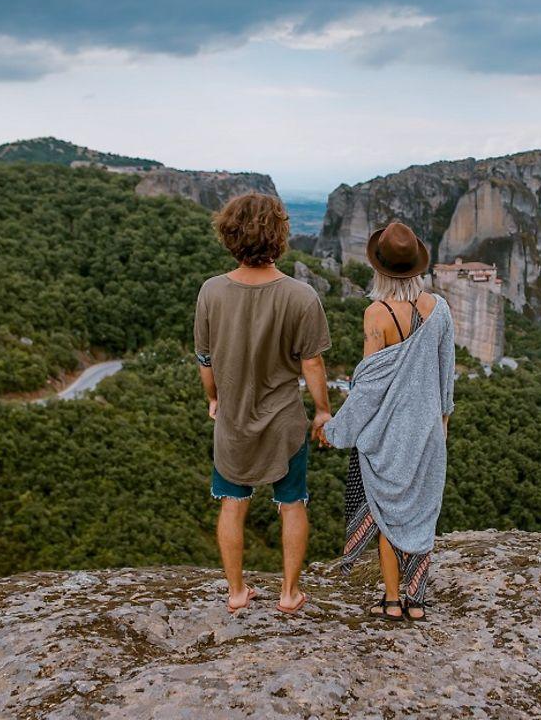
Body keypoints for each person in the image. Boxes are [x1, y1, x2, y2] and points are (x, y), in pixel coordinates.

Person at [194, 193, 332, 615]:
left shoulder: (211, 292)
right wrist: (324, 409)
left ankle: (237, 592)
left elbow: (205, 360)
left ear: (229, 234)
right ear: (279, 235)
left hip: (233, 420)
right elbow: (311, 362)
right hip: (284, 422)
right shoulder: (301, 295)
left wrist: (214, 398)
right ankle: (289, 594)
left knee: (232, 504)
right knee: (292, 504)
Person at [321, 221, 455, 622]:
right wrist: (442, 427)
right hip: (429, 430)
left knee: (385, 513)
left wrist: (335, 431)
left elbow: (367, 389)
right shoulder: (440, 310)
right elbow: (446, 377)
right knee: (421, 511)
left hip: (388, 434)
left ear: (380, 269)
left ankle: (393, 600)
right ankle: (417, 601)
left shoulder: (376, 315)